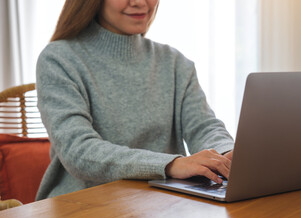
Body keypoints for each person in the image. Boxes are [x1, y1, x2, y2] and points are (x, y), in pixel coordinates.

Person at [35, 0, 234, 200]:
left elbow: (203, 126)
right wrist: (171, 165)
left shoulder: (175, 62)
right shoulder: (58, 59)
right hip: (82, 207)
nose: (140, 2)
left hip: (159, 206)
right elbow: (77, 150)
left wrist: (227, 154)